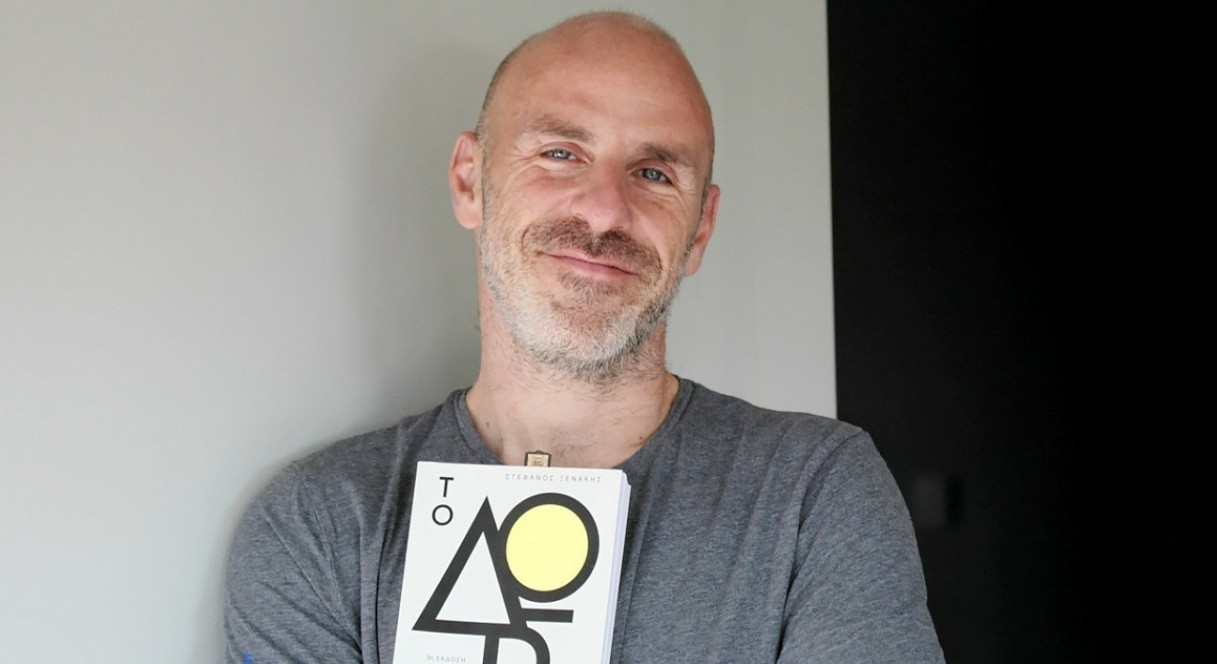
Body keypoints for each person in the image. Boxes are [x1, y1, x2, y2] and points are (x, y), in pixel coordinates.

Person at [224, 11, 944, 663]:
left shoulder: (814, 493)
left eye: (654, 172)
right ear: (470, 181)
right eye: (561, 153)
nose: (605, 212)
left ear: (700, 228)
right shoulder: (319, 523)